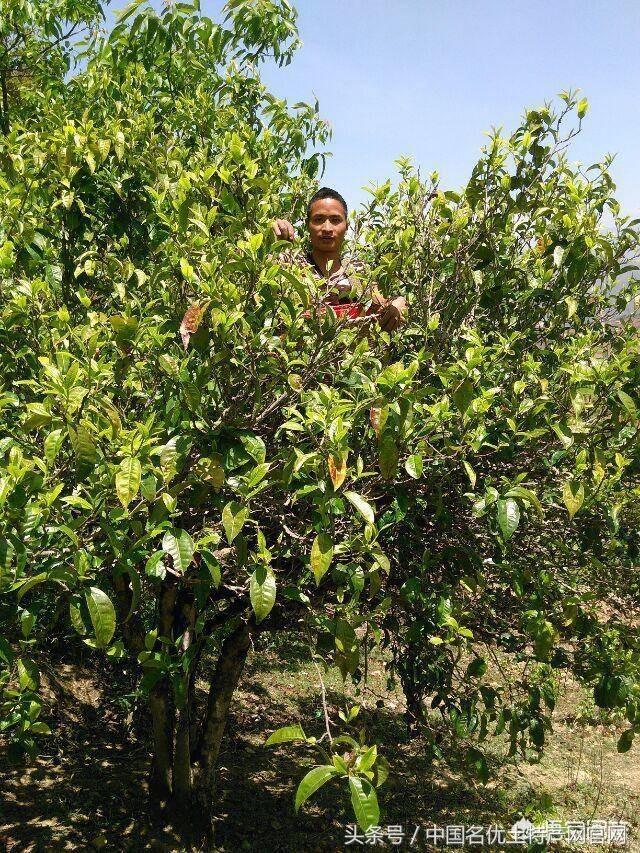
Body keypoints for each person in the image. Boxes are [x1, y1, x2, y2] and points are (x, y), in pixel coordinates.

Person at [272, 187, 407, 332]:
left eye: (336, 220)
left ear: (347, 226)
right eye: (319, 219)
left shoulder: (358, 270)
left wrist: (398, 303)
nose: (327, 228)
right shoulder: (291, 265)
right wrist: (270, 238)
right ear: (307, 225)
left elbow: (381, 304)